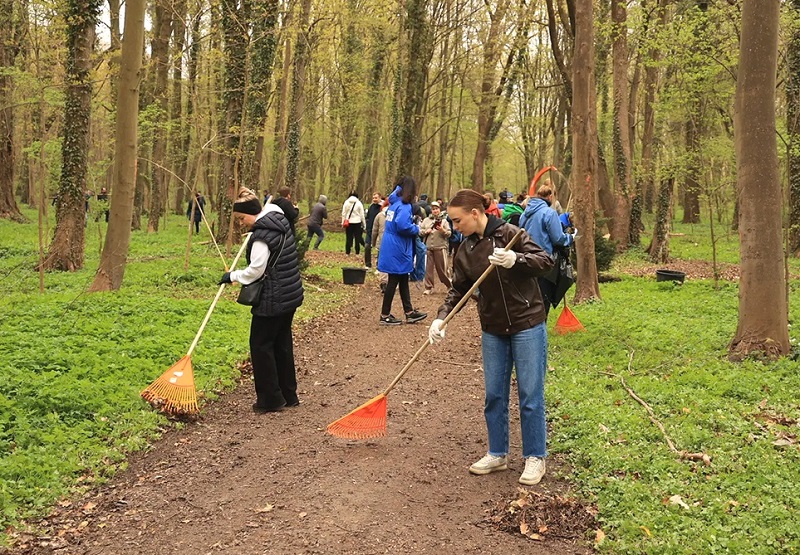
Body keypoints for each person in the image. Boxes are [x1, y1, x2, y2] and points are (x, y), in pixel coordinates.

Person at [428, 189, 554, 486]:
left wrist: (515, 259)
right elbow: (458, 289)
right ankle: (497, 453)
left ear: (475, 213)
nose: (455, 227)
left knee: (530, 396)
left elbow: (545, 262)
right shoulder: (465, 251)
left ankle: (535, 456)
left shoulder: (512, 233)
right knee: (494, 395)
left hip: (527, 324)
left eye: (458, 221)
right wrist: (440, 318)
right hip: (493, 328)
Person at [219, 188, 304, 413]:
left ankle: (270, 399)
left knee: (261, 345)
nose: (241, 223)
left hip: (273, 299)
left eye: (241, 218)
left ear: (251, 213)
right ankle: (288, 394)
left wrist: (232, 276)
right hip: (289, 295)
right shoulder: (279, 220)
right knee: (281, 343)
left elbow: (256, 271)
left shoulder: (261, 236)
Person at [376, 176, 428, 326]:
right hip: (398, 246)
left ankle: (409, 312)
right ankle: (385, 314)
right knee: (394, 279)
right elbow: (402, 226)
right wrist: (416, 228)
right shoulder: (404, 206)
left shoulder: (394, 203)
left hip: (391, 243)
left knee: (403, 277)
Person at [518, 183, 576, 315]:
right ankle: (539, 330)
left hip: (526, 259)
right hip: (543, 260)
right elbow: (558, 239)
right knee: (543, 299)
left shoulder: (524, 214)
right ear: (550, 196)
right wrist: (570, 238)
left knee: (530, 298)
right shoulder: (549, 213)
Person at [420, 201, 452, 295]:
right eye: (433, 209)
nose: (435, 211)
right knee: (428, 269)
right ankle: (428, 287)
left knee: (443, 268)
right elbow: (420, 231)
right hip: (429, 247)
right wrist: (426, 231)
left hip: (440, 247)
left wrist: (442, 230)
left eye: (436, 209)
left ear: (439, 209)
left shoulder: (444, 221)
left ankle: (449, 285)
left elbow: (449, 233)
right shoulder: (426, 220)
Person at [371, 199, 390, 292]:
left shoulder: (379, 216)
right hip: (393, 243)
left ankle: (384, 281)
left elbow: (374, 231)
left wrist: (373, 242)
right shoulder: (396, 215)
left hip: (381, 242)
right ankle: (391, 281)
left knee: (382, 262)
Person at [364, 192, 383, 267]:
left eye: (376, 198)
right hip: (370, 230)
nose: (374, 199)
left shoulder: (382, 208)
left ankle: (379, 265)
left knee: (379, 249)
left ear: (380, 198)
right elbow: (368, 217)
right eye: (373, 198)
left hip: (379, 231)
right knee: (367, 247)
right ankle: (367, 264)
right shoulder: (371, 206)